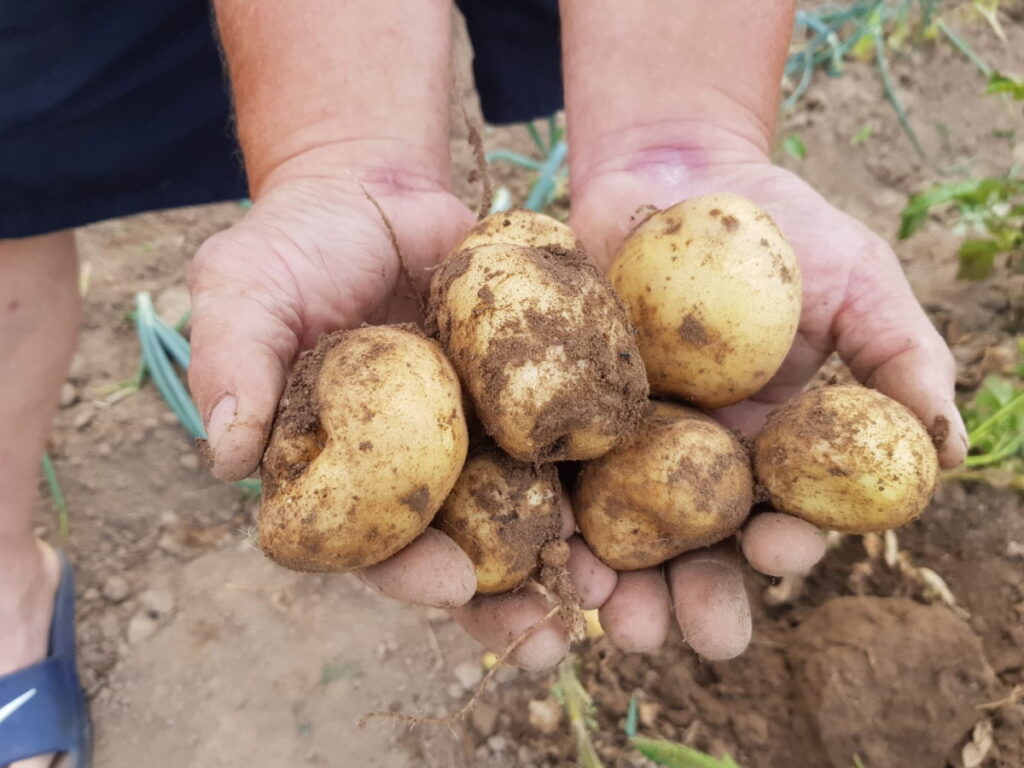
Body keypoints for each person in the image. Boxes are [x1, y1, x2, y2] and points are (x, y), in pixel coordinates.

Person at [0, 1, 967, 765]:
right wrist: (338, 155)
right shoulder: (467, 348)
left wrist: (683, 133)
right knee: (22, 170)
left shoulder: (590, 364)